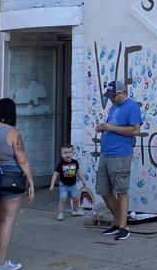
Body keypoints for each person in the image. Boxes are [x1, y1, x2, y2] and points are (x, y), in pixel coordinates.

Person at [0, 98, 35, 270]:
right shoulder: (12, 132)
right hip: (9, 176)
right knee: (7, 220)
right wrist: (31, 181)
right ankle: (1, 262)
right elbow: (22, 159)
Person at [95, 80, 142, 241]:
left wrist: (111, 128)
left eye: (114, 96)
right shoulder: (114, 106)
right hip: (106, 153)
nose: (111, 99)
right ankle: (117, 220)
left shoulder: (132, 107)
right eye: (110, 96)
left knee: (121, 190)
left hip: (120, 154)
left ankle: (123, 226)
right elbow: (112, 125)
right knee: (104, 189)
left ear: (123, 93)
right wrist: (103, 127)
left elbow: (135, 130)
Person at [49, 143, 89, 221]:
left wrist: (83, 180)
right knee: (63, 199)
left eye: (70, 152)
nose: (68, 154)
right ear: (61, 154)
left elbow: (79, 172)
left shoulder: (75, 162)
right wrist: (52, 184)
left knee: (76, 199)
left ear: (73, 153)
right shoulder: (61, 164)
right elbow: (55, 174)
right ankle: (60, 213)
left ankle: (76, 211)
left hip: (73, 185)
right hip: (63, 185)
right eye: (65, 153)